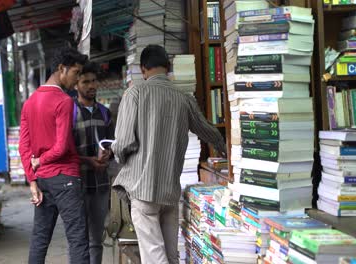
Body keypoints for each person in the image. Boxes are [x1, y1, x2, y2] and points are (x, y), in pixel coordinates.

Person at [111, 45, 226, 264]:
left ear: (143, 69)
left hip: (143, 189)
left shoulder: (135, 93)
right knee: (171, 255)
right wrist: (222, 144)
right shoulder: (183, 98)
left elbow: (123, 142)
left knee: (155, 257)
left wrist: (119, 156)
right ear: (169, 68)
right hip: (170, 190)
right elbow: (206, 130)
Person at [19, 47, 90, 264]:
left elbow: (24, 146)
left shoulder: (30, 102)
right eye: (76, 73)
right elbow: (60, 148)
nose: (77, 80)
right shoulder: (64, 101)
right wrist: (41, 160)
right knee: (78, 238)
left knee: (40, 237)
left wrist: (32, 180)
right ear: (62, 69)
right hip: (65, 178)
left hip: (43, 180)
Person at [72, 61, 114, 264]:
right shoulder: (69, 112)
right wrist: (87, 161)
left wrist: (109, 153)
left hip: (100, 185)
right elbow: (64, 151)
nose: (91, 85)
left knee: (96, 240)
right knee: (79, 240)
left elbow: (114, 144)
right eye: (85, 81)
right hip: (76, 184)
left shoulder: (105, 113)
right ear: (76, 85)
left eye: (94, 81)